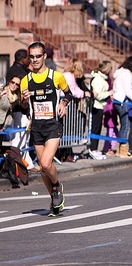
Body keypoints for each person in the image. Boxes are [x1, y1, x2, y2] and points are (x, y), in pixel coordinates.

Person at [20, 41, 71, 217]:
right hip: (37, 127)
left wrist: (63, 103)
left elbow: (69, 94)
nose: (34, 60)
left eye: (37, 56)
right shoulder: (25, 80)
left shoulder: (55, 76)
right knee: (42, 168)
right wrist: (24, 101)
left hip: (53, 125)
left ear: (44, 57)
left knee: (47, 163)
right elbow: (24, 107)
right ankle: (55, 201)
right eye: (31, 57)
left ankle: (57, 186)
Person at [113, 56, 132, 158]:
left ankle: (119, 150)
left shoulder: (120, 72)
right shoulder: (127, 74)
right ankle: (123, 151)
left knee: (123, 126)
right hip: (122, 101)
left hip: (116, 100)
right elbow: (128, 91)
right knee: (126, 126)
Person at [89, 61, 114, 160]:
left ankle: (95, 148)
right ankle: (93, 149)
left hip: (100, 106)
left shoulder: (102, 79)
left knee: (98, 128)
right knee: (95, 129)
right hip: (96, 106)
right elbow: (98, 95)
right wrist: (109, 93)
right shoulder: (98, 79)